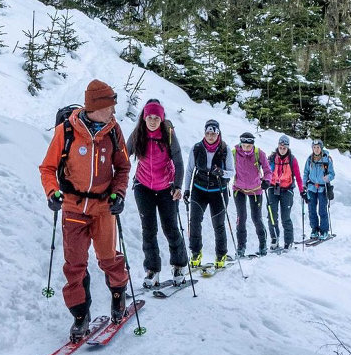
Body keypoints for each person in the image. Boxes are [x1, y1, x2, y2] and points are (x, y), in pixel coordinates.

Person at [39, 79, 131, 341]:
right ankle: (80, 316)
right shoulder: (66, 131)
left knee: (108, 259)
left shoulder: (114, 131)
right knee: (75, 265)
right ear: (96, 106)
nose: (114, 111)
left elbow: (123, 167)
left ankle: (118, 298)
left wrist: (119, 193)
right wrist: (51, 191)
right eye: (110, 106)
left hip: (103, 207)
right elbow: (47, 167)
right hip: (73, 208)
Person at [126, 99, 187, 288]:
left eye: (156, 117)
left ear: (162, 118)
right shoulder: (138, 134)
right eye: (149, 117)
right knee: (149, 229)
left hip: (166, 187)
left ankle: (179, 265)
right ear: (144, 118)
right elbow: (122, 155)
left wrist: (177, 186)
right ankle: (152, 270)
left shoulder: (168, 134)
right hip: (143, 186)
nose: (152, 121)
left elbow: (178, 162)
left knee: (170, 228)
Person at [182, 119, 235, 269]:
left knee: (218, 224)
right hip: (199, 189)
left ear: (218, 133)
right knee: (195, 222)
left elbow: (232, 172)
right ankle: (196, 253)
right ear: (204, 133)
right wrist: (186, 189)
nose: (210, 136)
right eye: (208, 133)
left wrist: (222, 172)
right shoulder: (197, 148)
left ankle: (221, 254)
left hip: (218, 191)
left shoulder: (225, 149)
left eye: (213, 133)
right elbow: (189, 170)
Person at [231, 132, 272, 257]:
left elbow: (267, 170)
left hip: (256, 189)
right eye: (244, 145)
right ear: (241, 144)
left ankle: (263, 245)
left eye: (249, 146)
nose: (246, 148)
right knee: (241, 218)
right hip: (239, 189)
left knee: (256, 218)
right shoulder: (234, 153)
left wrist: (267, 181)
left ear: (252, 145)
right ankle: (241, 247)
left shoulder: (259, 153)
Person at [267, 135, 304, 250]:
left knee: (285, 217)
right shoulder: (272, 158)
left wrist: (302, 191)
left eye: (284, 147)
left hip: (287, 190)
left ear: (288, 148)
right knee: (272, 215)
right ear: (278, 146)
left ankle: (288, 241)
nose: (282, 149)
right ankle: (274, 239)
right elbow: (267, 172)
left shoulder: (292, 160)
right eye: (280, 147)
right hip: (273, 188)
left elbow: (298, 177)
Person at [303, 139, 335, 240]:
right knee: (311, 209)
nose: (316, 149)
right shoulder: (309, 159)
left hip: (322, 188)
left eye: (318, 147)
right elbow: (305, 173)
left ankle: (324, 230)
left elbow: (332, 173)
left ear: (321, 148)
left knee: (322, 210)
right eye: (314, 147)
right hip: (311, 188)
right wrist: (304, 184)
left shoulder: (326, 159)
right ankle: (315, 229)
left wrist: (328, 178)